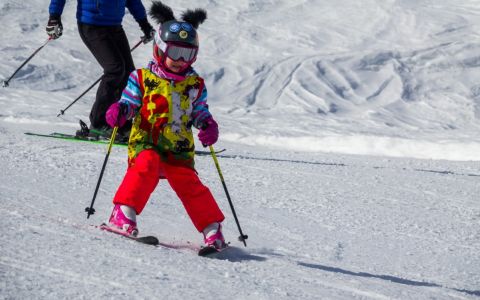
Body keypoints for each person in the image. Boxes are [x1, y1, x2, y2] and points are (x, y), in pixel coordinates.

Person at [102, 1, 227, 250]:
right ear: (160, 49)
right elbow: (129, 101)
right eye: (175, 53)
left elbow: (200, 110)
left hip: (178, 146)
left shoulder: (195, 85)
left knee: (189, 183)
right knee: (145, 164)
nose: (181, 60)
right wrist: (121, 110)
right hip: (146, 140)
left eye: (188, 54)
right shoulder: (141, 78)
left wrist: (207, 124)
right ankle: (122, 213)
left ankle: (212, 228)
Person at [46, 0, 155, 141]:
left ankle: (122, 126)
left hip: (115, 26)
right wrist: (54, 17)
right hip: (91, 25)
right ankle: (99, 124)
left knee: (129, 74)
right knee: (115, 70)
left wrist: (144, 24)